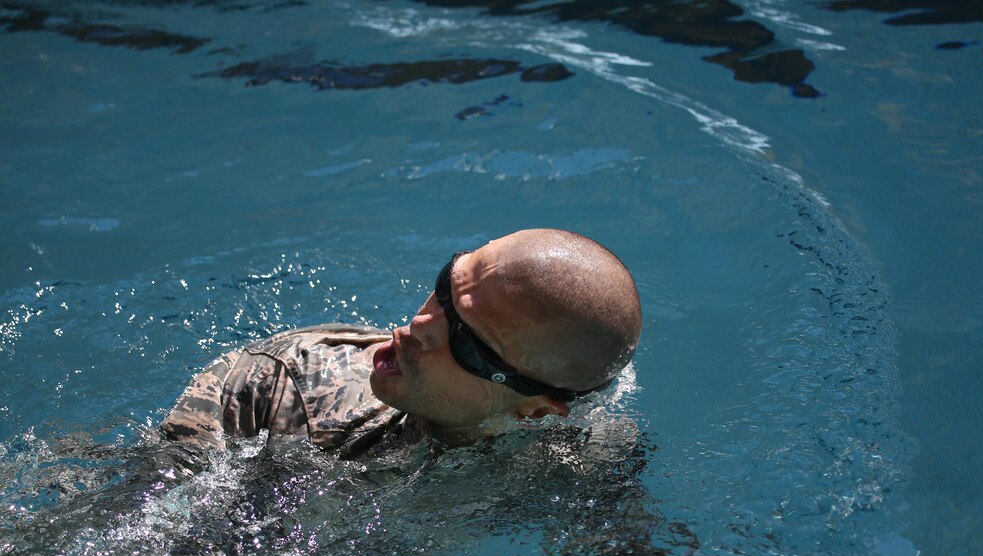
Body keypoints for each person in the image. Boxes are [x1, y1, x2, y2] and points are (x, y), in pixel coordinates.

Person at [160, 228, 642, 461]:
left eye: (464, 340)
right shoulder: (289, 386)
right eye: (445, 289)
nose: (418, 326)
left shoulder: (577, 455)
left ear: (537, 411)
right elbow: (149, 547)